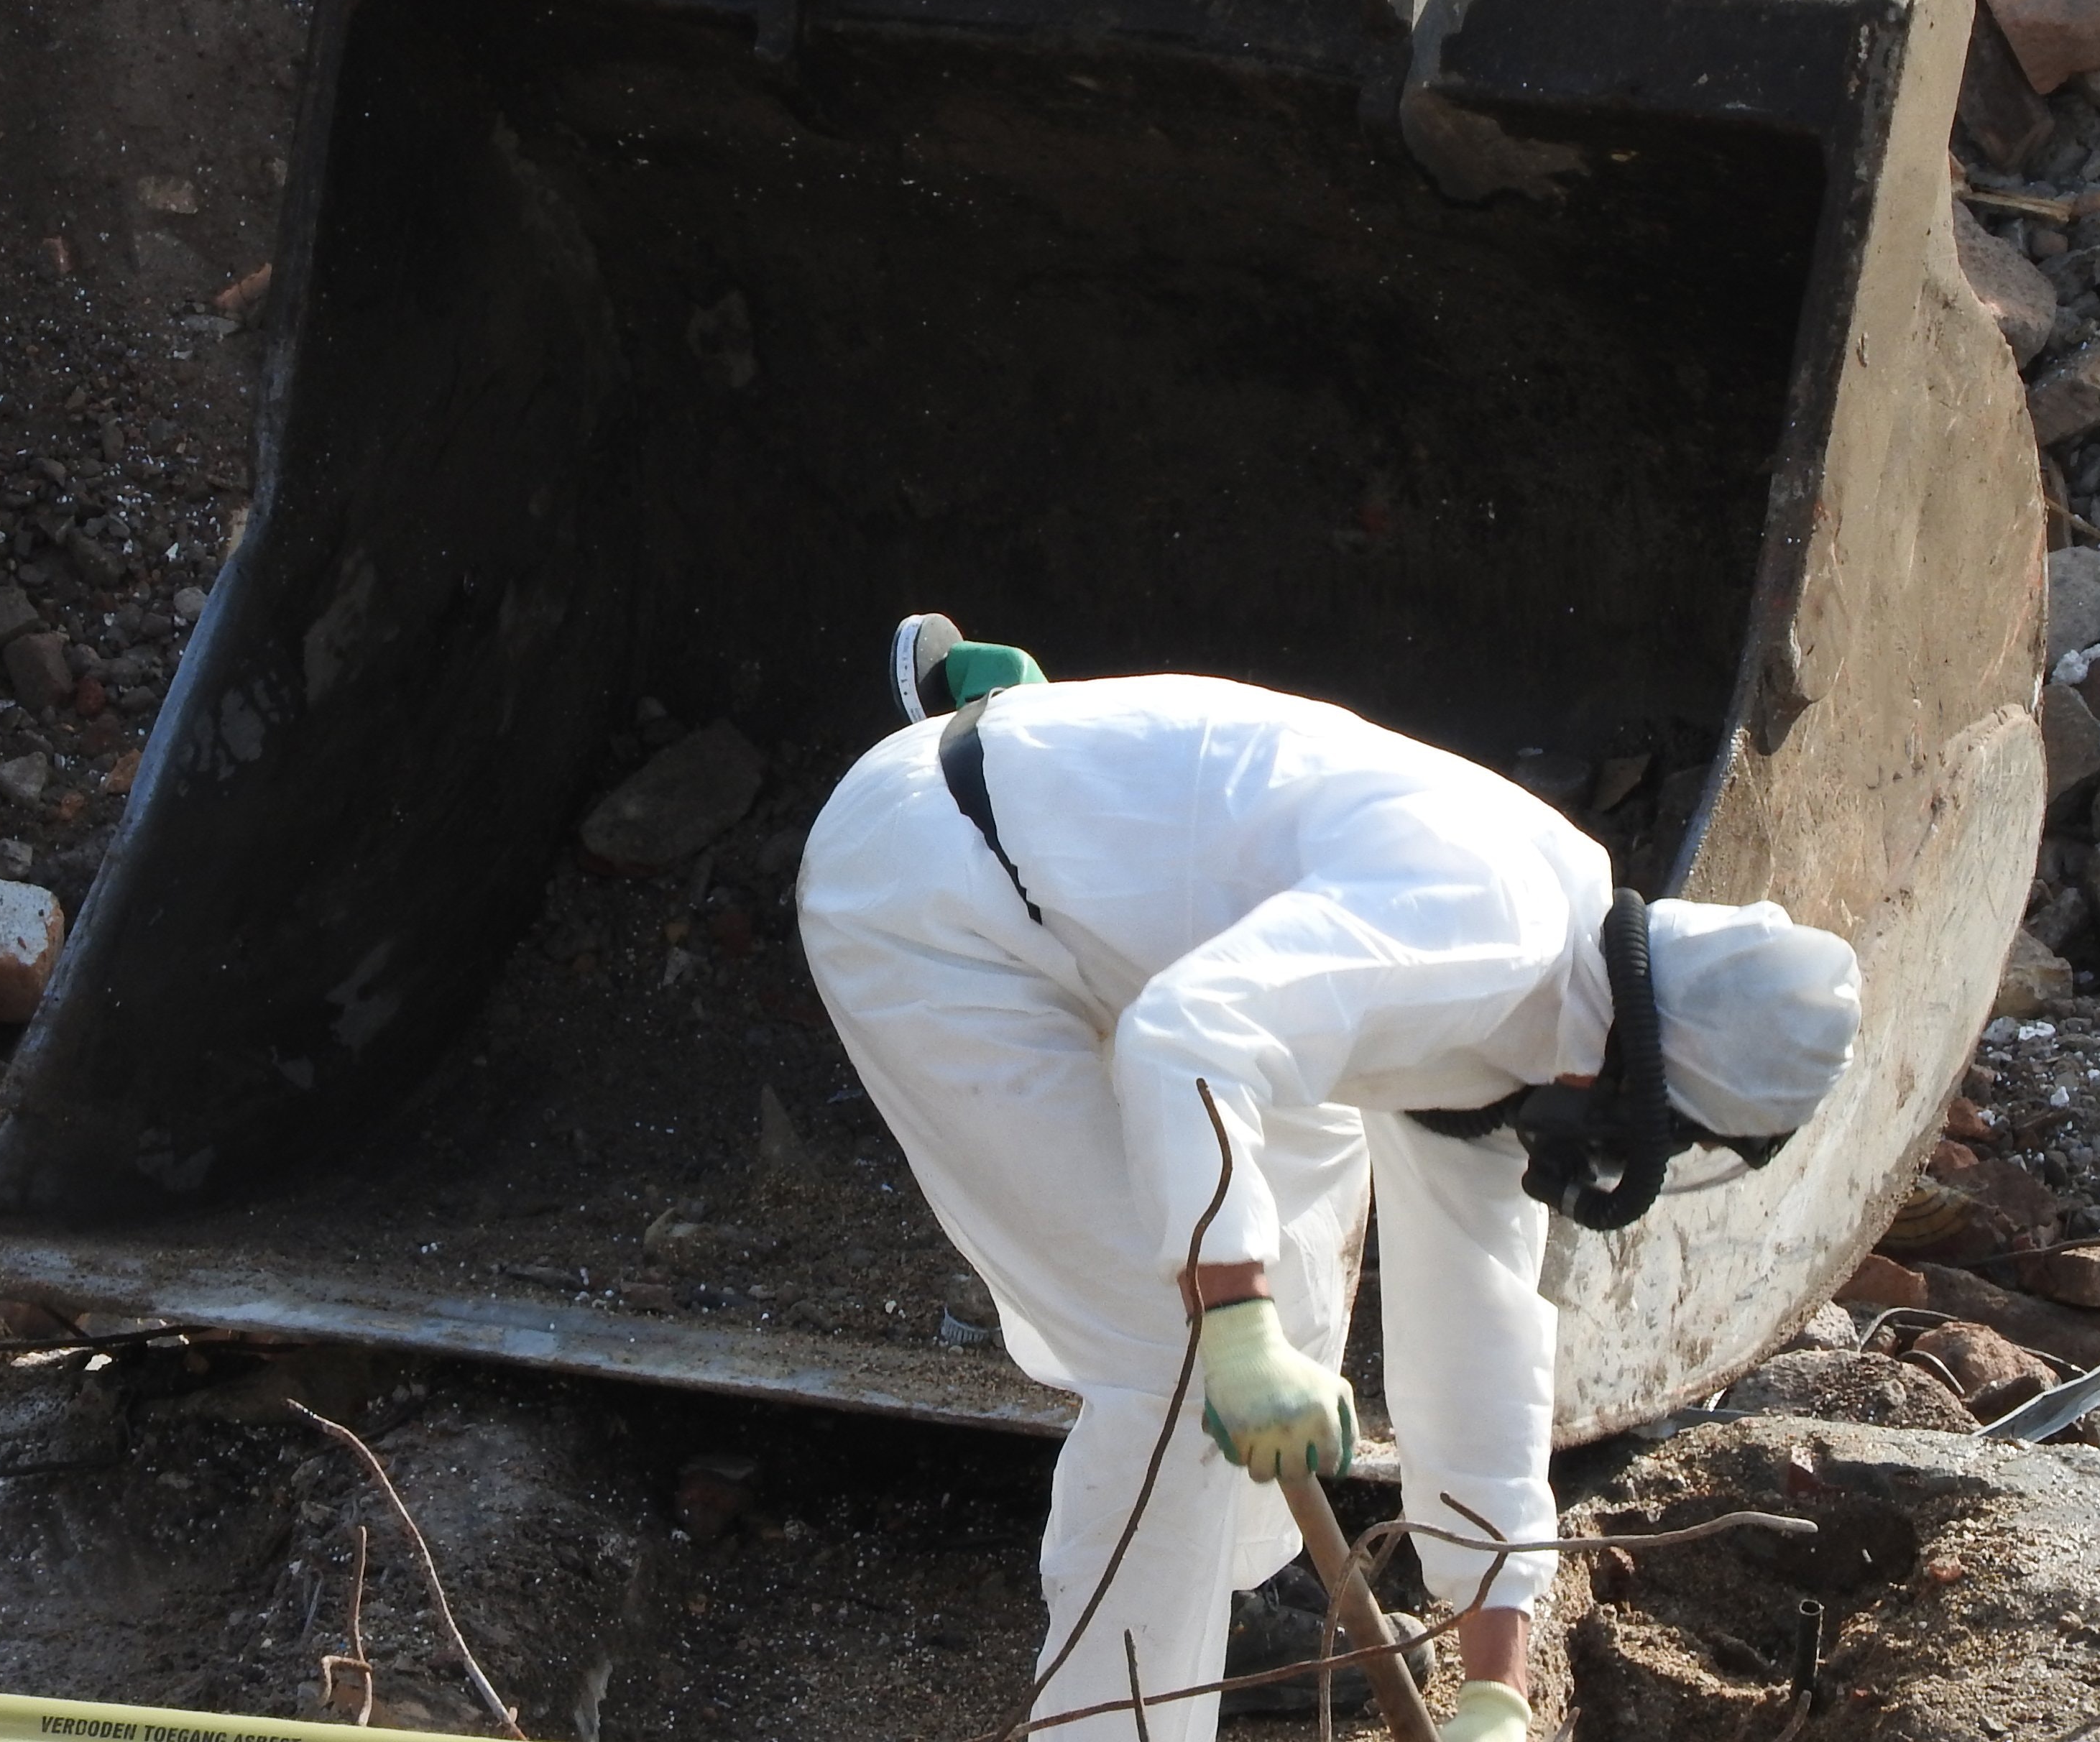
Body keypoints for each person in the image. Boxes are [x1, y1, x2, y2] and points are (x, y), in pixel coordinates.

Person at [798, 617, 1864, 1742]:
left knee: (1297, 1236)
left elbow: (1485, 1347)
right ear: (1638, 1074)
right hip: (935, 887)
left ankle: (1211, 1600)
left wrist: (1495, 1682)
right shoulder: (1487, 927)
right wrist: (1235, 1325)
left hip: (1119, 912)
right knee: (1177, 1353)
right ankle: (1115, 1719)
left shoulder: (1538, 1038)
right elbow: (1185, 1038)